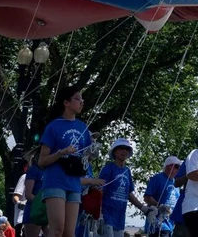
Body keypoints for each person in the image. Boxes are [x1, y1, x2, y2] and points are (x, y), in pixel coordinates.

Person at [38, 85, 105, 237]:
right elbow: (41, 161)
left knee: (69, 232)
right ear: (66, 103)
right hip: (55, 181)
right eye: (77, 99)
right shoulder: (53, 126)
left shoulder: (83, 127)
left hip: (74, 184)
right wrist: (60, 153)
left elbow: (87, 158)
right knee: (57, 230)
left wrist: (92, 153)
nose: (82, 102)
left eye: (82, 99)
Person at [98, 138, 147, 237]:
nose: (124, 151)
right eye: (121, 148)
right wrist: (98, 212)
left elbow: (129, 194)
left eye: (126, 149)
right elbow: (100, 191)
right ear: (114, 152)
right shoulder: (108, 169)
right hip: (106, 215)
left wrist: (144, 208)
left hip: (120, 217)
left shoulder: (127, 171)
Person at [143, 156, 182, 237]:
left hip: (170, 225)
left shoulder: (176, 183)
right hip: (157, 224)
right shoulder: (157, 179)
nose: (178, 169)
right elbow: (147, 197)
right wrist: (160, 206)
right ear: (169, 166)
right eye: (176, 166)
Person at [21, 150, 46, 237]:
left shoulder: (49, 171)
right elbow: (28, 194)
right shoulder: (33, 169)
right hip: (34, 210)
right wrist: (41, 204)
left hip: (47, 211)